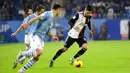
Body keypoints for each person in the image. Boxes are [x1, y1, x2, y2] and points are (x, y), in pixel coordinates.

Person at [12, 4, 62, 73]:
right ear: (58, 9)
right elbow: (37, 18)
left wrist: (52, 36)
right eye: (60, 10)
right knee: (39, 51)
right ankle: (22, 53)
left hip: (41, 38)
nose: (60, 12)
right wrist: (27, 24)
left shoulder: (51, 19)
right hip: (35, 35)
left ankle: (22, 70)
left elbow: (47, 31)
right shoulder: (48, 13)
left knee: (37, 57)